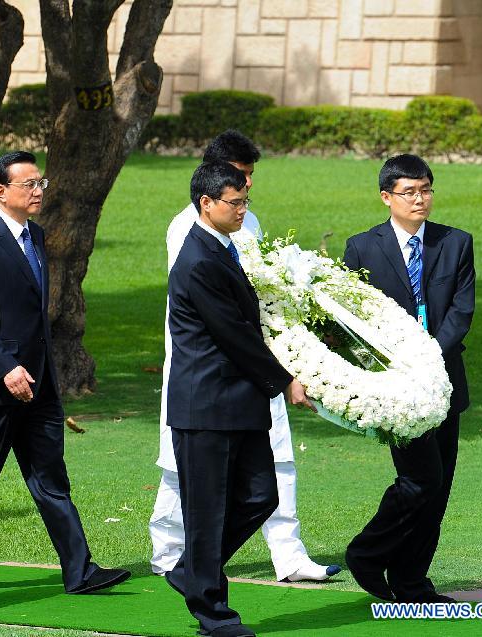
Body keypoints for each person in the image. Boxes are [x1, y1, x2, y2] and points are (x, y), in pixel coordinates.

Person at [150, 129, 340, 583]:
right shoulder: (188, 233)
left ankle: (286, 555)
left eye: (248, 183)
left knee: (271, 470)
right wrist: (282, 374)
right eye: (239, 181)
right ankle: (172, 557)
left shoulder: (244, 221)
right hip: (211, 371)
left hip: (256, 366)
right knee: (190, 474)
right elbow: (218, 314)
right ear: (209, 191)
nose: (246, 192)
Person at [0, 151, 130, 595]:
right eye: (28, 184)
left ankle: (80, 571)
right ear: (1, 192)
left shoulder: (36, 236)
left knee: (51, 476)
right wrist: (6, 368)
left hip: (41, 383)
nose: (39, 189)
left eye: (40, 181)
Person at [165, 161, 314, 637]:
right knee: (207, 513)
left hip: (237, 402)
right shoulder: (199, 258)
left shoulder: (222, 247)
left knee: (259, 496)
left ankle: (192, 570)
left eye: (245, 201)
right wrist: (286, 379)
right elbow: (234, 335)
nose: (242, 210)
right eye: (235, 202)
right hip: (207, 404)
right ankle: (214, 614)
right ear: (205, 204)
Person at [343, 154, 474, 603]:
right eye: (409, 192)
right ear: (387, 197)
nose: (420, 199)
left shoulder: (456, 243)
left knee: (438, 489)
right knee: (421, 480)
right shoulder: (361, 248)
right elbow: (351, 318)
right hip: (396, 390)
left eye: (426, 190)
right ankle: (366, 552)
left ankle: (411, 581)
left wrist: (430, 355)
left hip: (443, 382)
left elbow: (461, 310)